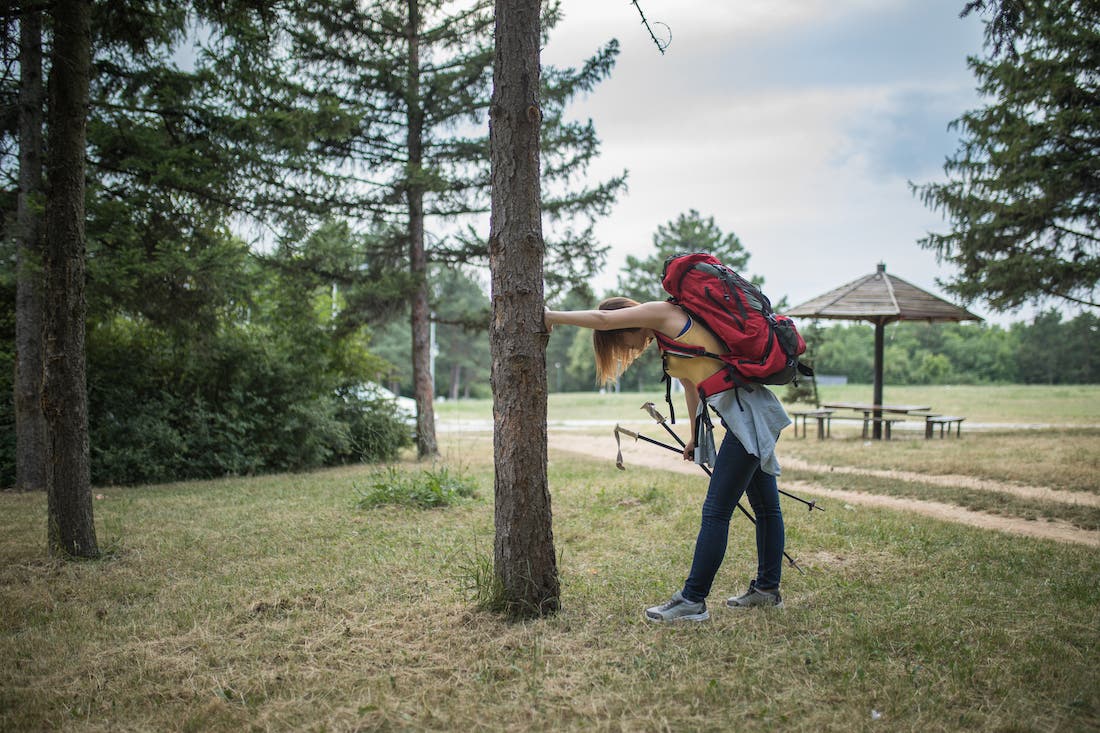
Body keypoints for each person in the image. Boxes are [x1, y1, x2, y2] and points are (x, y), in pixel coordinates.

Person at [544, 295, 791, 622]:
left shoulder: (661, 312)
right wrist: (694, 437)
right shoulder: (667, 340)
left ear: (627, 323)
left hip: (751, 416)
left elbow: (602, 320)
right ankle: (766, 591)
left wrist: (551, 317)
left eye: (623, 342)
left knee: (716, 511)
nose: (630, 350)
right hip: (746, 416)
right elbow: (692, 386)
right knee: (764, 505)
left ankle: (692, 600)